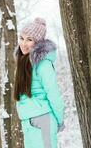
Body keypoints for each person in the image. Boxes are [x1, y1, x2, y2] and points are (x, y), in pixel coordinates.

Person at [13, 17, 65, 148]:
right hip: (28, 119)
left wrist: (59, 120)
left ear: (37, 43)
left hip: (43, 118)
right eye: (22, 38)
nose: (23, 44)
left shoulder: (43, 65)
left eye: (29, 40)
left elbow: (53, 93)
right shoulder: (23, 61)